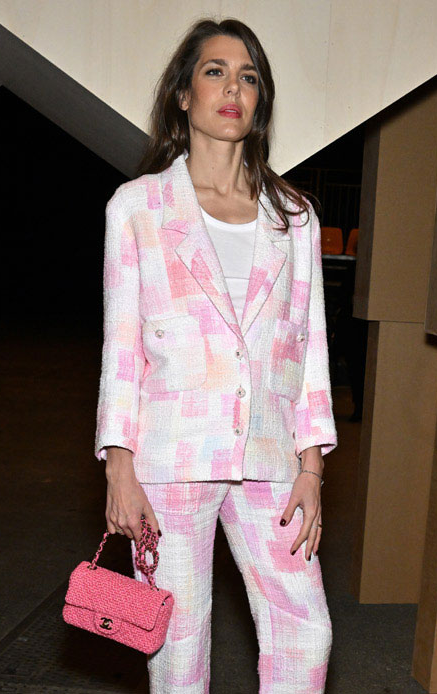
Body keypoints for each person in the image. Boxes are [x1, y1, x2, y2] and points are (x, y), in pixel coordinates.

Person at [97, 18, 335, 691]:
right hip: (169, 459)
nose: (233, 88)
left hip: (272, 456)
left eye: (248, 77)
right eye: (215, 72)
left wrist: (312, 467)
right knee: (177, 644)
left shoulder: (293, 215)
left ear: (260, 101)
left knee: (307, 630)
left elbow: (309, 346)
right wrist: (119, 466)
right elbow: (121, 347)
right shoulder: (139, 207)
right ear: (183, 94)